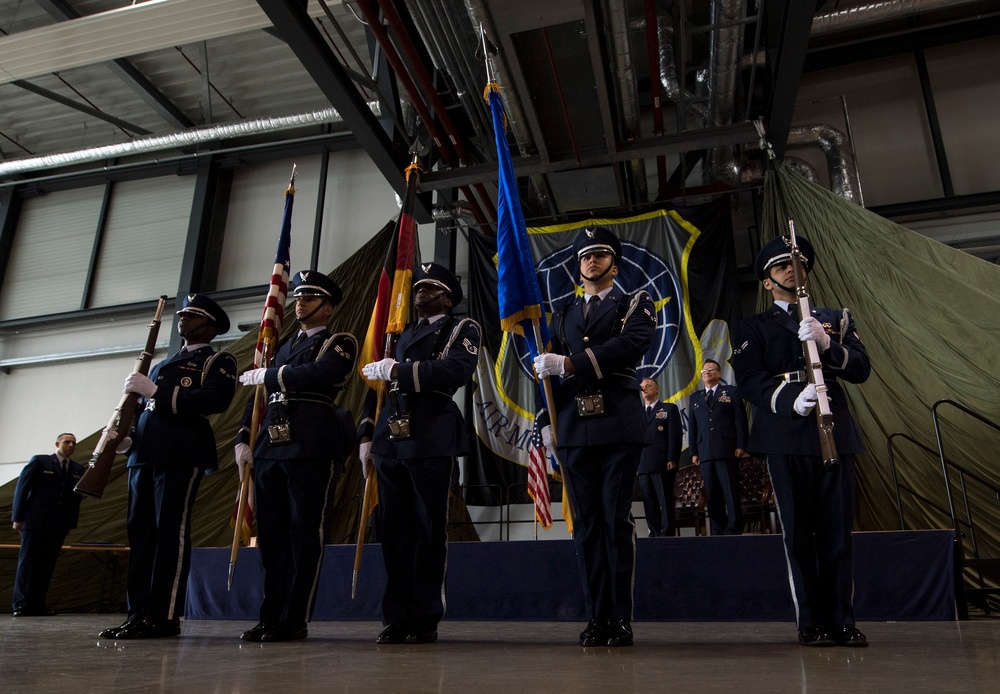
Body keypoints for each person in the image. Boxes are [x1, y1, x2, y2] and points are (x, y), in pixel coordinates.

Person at [732, 234, 871, 648]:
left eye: (796, 264)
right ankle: (811, 621)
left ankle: (842, 620)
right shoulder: (753, 326)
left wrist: (829, 344)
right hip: (785, 433)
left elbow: (861, 367)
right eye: (781, 267)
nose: (791, 270)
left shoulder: (835, 317)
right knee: (799, 531)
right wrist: (793, 399)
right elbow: (750, 382)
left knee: (837, 531)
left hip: (835, 429)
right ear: (767, 281)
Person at [533, 226, 656, 647]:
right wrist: (544, 421)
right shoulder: (562, 313)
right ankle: (596, 617)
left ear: (613, 265)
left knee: (614, 522)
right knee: (585, 527)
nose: (591, 260)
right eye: (585, 255)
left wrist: (569, 364)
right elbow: (543, 369)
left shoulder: (635, 303)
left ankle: (619, 618)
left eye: (600, 254)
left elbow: (632, 345)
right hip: (572, 427)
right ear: (578, 265)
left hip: (617, 425)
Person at [98, 294, 237, 639]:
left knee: (168, 534)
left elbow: (214, 400)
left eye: (191, 316)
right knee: (140, 535)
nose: (182, 320)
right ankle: (137, 613)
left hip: (180, 453)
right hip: (143, 456)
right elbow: (146, 410)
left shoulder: (218, 360)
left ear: (210, 326)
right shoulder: (164, 363)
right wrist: (128, 440)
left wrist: (156, 391)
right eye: (183, 314)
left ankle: (164, 616)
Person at [359, 262, 480, 645]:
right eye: (419, 288)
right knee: (394, 533)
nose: (420, 293)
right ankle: (397, 616)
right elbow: (375, 385)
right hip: (390, 437)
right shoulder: (401, 333)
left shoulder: (462, 328)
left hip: (429, 433)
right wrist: (365, 433)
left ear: (448, 296)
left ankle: (425, 617)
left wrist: (400, 370)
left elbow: (452, 373)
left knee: (429, 530)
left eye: (430, 288)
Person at [236, 270, 358, 643]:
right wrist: (244, 437)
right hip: (271, 444)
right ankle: (270, 614)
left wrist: (271, 375)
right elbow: (259, 397)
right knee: (271, 536)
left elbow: (323, 373)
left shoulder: (339, 341)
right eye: (299, 297)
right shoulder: (281, 345)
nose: (300, 303)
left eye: (310, 298)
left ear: (328, 307)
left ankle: (294, 618)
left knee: (305, 532)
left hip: (310, 441)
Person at [10, 433, 85, 616]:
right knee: (27, 563)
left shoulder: (77, 468)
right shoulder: (40, 461)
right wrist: (17, 518)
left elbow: (75, 500)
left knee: (47, 564)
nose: (70, 445)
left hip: (57, 524)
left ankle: (38, 604)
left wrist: (70, 524)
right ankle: (21, 604)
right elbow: (22, 489)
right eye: (67, 442)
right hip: (34, 521)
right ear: (57, 443)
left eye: (73, 443)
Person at [688, 359, 748, 535]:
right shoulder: (695, 397)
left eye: (711, 369)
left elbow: (740, 421)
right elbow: (693, 427)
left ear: (719, 373)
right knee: (712, 494)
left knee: (730, 491)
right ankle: (717, 529)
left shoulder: (730, 392)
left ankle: (734, 528)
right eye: (704, 371)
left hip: (727, 449)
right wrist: (693, 452)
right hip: (705, 451)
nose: (707, 373)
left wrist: (741, 444)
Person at [638, 379, 682, 537]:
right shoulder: (638, 412)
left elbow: (675, 436)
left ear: (657, 390)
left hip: (662, 462)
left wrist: (672, 458)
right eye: (642, 387)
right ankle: (654, 532)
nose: (645, 389)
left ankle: (667, 532)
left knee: (665, 500)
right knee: (649, 502)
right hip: (643, 464)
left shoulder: (669, 408)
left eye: (648, 386)